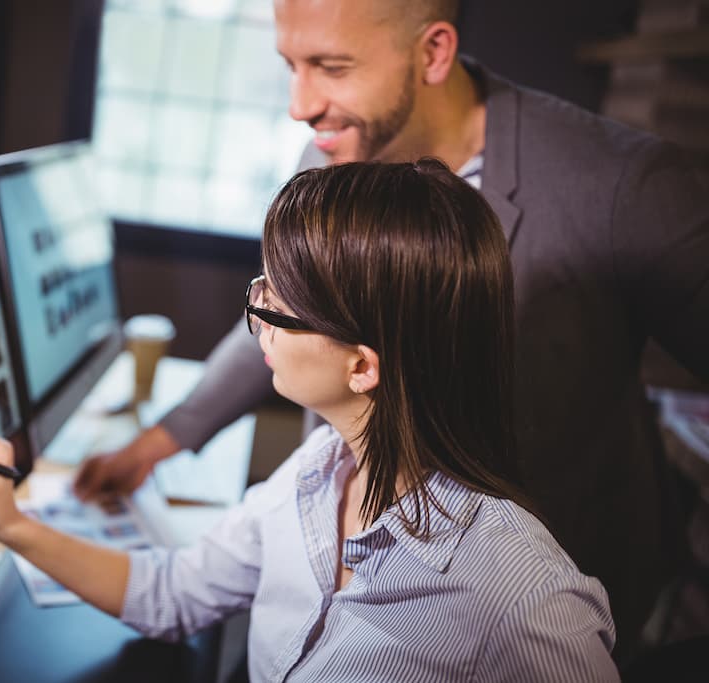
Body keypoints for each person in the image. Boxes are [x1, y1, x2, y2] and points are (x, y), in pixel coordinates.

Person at [71, 0, 709, 661]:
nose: (300, 105)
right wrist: (164, 438)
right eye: (291, 65)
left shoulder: (618, 185)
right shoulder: (332, 151)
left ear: (432, 53)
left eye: (331, 66)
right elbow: (285, 310)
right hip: (349, 572)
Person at [0, 160, 618, 681]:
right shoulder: (315, 474)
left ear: (362, 368)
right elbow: (171, 595)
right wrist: (9, 521)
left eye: (277, 302)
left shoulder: (524, 596)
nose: (255, 315)